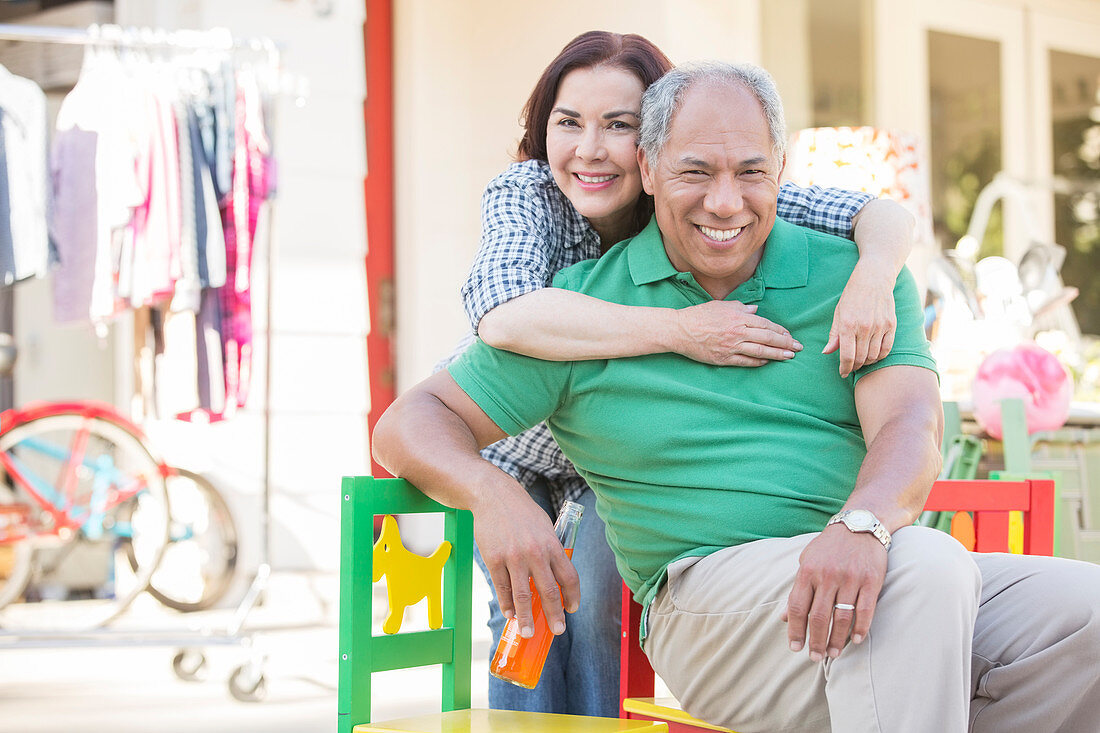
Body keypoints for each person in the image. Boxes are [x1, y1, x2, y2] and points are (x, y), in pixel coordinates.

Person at [378, 61, 1100, 732]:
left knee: (1083, 613)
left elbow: (909, 423)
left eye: (751, 172)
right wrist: (489, 492)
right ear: (651, 169)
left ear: (781, 171)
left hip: (867, 560)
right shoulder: (584, 311)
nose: (726, 201)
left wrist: (861, 524)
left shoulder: (855, 277)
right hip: (708, 602)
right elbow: (409, 422)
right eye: (696, 171)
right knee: (925, 568)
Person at [442, 30, 918, 718]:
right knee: (528, 613)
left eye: (618, 125)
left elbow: (877, 213)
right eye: (568, 122)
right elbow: (503, 316)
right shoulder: (531, 193)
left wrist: (876, 274)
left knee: (603, 599)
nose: (590, 149)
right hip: (522, 436)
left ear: (651, 145)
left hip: (610, 452)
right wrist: (679, 329)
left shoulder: (710, 187)